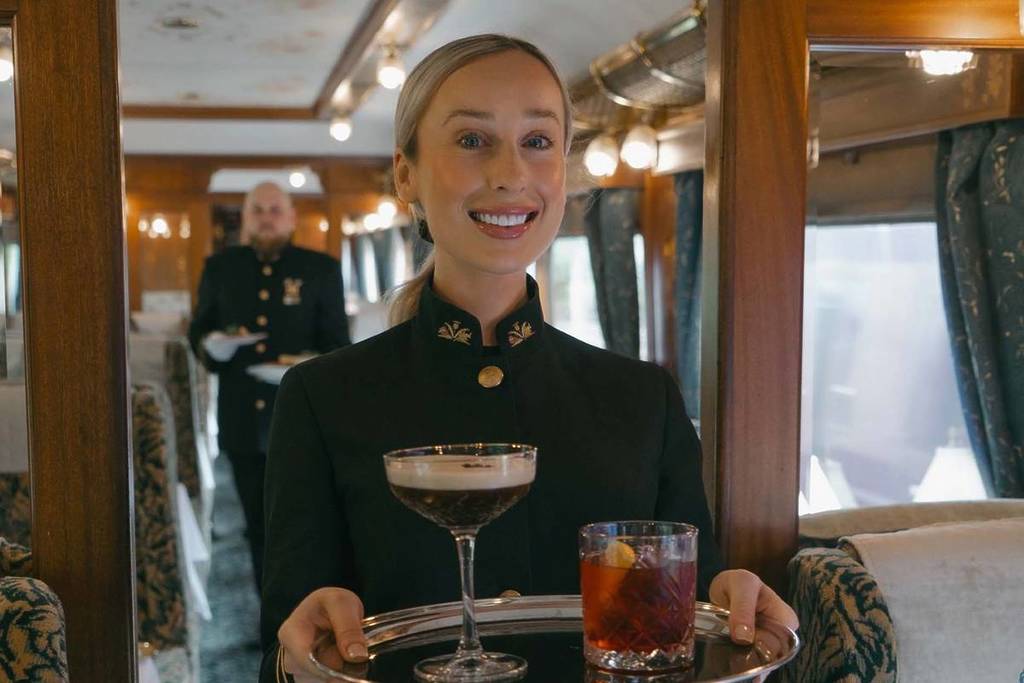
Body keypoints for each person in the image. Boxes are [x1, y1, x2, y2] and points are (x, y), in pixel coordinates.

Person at [260, 35, 798, 682]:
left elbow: (692, 599)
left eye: (538, 141)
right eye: (472, 140)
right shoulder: (323, 397)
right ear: (407, 174)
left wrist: (731, 594)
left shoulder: (642, 398)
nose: (510, 172)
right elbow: (284, 645)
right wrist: (302, 646)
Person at [188, 181, 351, 593]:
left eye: (275, 209)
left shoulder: (321, 269)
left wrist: (302, 366)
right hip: (242, 419)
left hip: (303, 421)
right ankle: (270, 619)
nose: (266, 217)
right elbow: (199, 332)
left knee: (304, 526)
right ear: (245, 219)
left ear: (292, 217)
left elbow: (337, 346)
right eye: (257, 210)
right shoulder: (220, 268)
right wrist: (215, 348)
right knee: (257, 529)